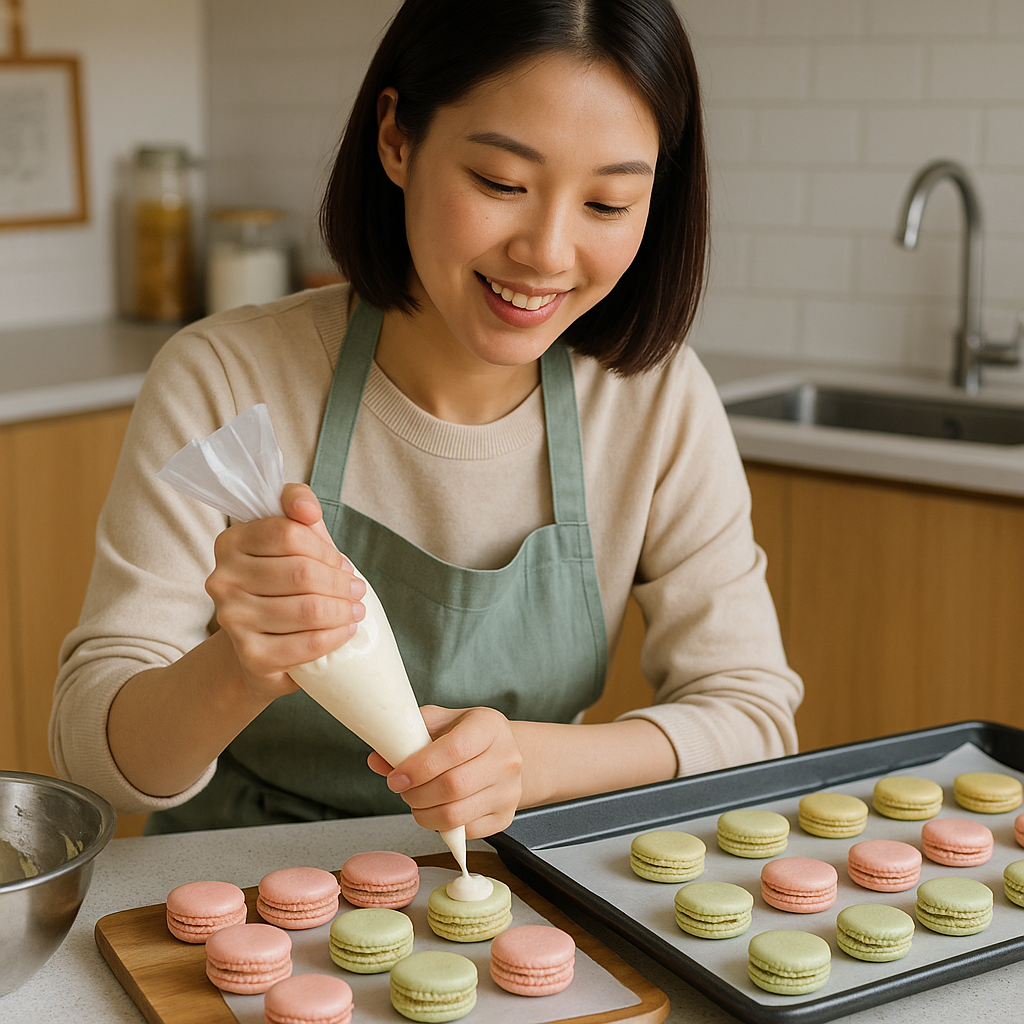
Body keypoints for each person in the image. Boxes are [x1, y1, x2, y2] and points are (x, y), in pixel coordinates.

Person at [50, 0, 802, 838]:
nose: (548, 253)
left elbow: (754, 719)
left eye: (608, 204)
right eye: (500, 184)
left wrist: (534, 764)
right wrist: (239, 664)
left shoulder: (653, 402)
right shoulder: (226, 379)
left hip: (519, 886)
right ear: (397, 139)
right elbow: (95, 756)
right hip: (235, 893)